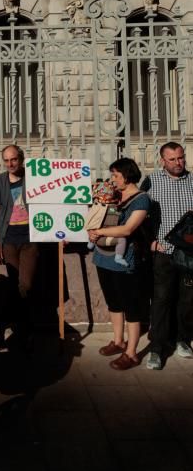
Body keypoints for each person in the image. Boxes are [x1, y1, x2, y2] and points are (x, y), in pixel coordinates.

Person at [88, 158, 150, 370]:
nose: (112, 179)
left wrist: (100, 232)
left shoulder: (141, 199)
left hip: (125, 259)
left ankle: (131, 353)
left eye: (116, 175)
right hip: (103, 256)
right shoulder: (112, 195)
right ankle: (118, 341)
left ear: (127, 175)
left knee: (132, 306)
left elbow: (127, 229)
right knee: (113, 301)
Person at [140, 142, 193, 369]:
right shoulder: (151, 181)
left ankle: (182, 340)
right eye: (172, 159)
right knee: (161, 299)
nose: (178, 163)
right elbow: (139, 212)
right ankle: (156, 348)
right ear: (163, 160)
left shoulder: (192, 180)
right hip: (163, 251)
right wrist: (150, 242)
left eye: (181, 158)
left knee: (188, 299)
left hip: (189, 252)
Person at [0, 145, 39, 344]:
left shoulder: (32, 178)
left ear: (21, 159)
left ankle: (22, 326)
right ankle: (21, 328)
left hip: (30, 238)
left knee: (25, 285)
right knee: (13, 286)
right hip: (8, 239)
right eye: (6, 160)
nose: (10, 164)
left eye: (14, 160)